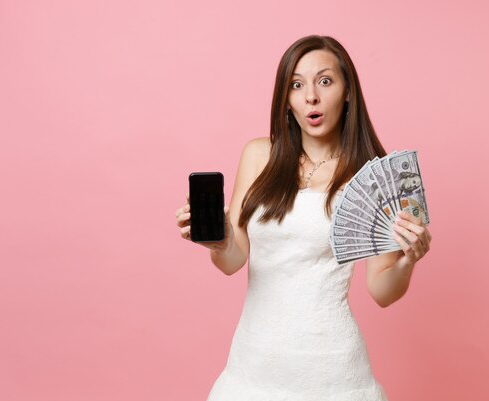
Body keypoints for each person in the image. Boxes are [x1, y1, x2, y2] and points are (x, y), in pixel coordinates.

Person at [175, 35, 432, 401]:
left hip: (334, 372)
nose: (310, 95)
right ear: (286, 100)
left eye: (325, 81)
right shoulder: (259, 155)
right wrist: (219, 241)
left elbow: (382, 292)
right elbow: (232, 261)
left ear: (347, 92)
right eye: (297, 85)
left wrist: (407, 260)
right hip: (254, 367)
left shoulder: (369, 177)